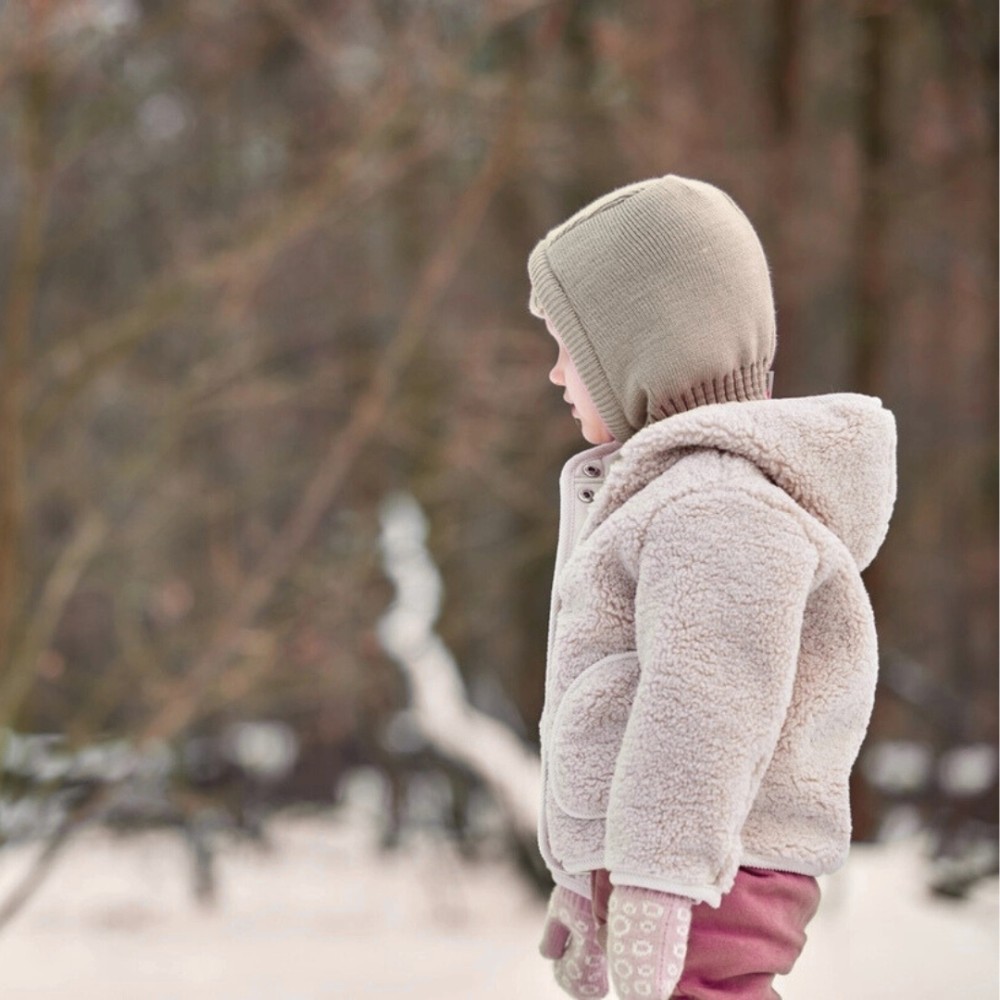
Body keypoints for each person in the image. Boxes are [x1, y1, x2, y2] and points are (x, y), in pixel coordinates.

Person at [528, 175, 896, 999]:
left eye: (568, 347)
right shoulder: (668, 496)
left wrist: (656, 882)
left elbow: (705, 707)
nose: (555, 374)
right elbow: (620, 705)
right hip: (681, 855)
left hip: (714, 863)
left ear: (642, 343)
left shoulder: (717, 504)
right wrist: (586, 883)